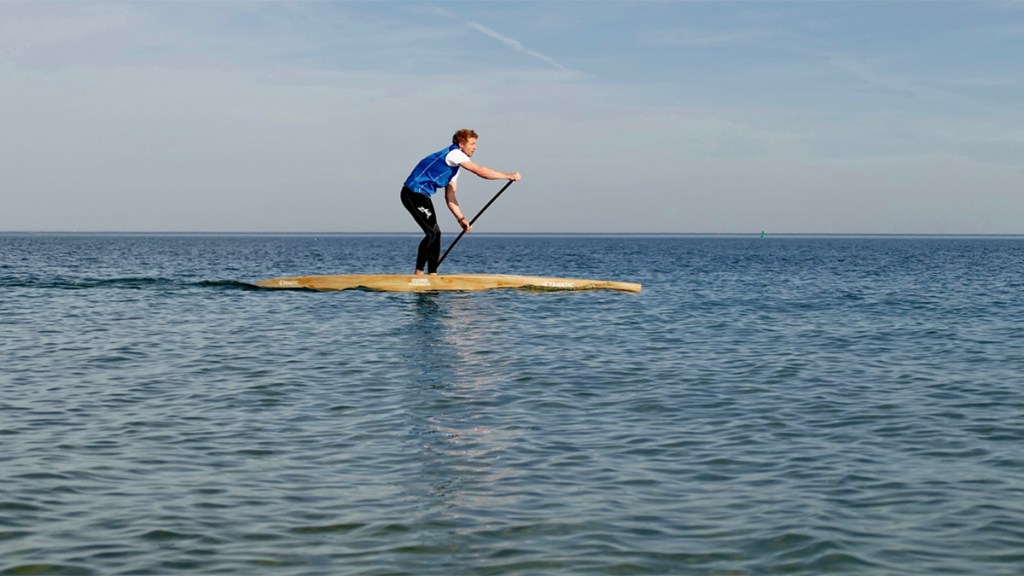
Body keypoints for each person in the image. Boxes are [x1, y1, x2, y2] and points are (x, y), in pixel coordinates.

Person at [401, 129, 521, 275]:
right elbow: (480, 170)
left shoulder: (454, 169)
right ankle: (418, 275)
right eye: (472, 144)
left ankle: (432, 274)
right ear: (461, 144)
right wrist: (507, 175)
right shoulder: (454, 154)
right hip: (412, 193)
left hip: (423, 196)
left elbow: (450, 196)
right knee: (432, 233)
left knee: (436, 234)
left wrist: (461, 219)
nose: (475, 147)